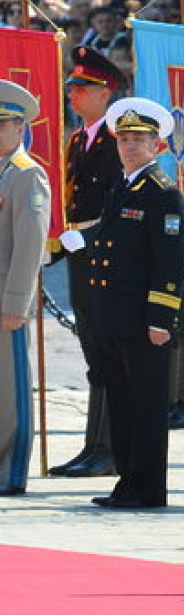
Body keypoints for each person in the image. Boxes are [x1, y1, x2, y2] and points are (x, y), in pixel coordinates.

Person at [82, 98, 184, 509]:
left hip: (144, 320)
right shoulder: (123, 185)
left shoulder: (162, 194)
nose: (129, 146)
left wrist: (161, 317)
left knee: (145, 406)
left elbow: (170, 260)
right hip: (115, 317)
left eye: (138, 140)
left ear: (157, 145)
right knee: (123, 403)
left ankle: (147, 487)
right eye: (123, 139)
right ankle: (128, 482)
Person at [50, 47, 126, 479]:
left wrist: (89, 236)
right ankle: (94, 444)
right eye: (72, 87)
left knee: (109, 353)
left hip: (108, 257)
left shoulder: (119, 141)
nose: (72, 94)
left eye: (81, 88)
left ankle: (110, 447)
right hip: (80, 254)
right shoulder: (78, 139)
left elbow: (119, 203)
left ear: (105, 92)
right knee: (93, 352)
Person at [0, 82, 52, 495]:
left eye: (3, 125)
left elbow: (29, 244)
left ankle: (10, 470)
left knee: (10, 389)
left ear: (20, 128)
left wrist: (16, 302)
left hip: (6, 299)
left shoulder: (26, 175)